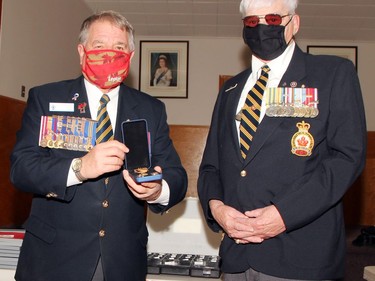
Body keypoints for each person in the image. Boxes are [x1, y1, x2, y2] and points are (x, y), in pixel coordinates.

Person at [10, 10, 187, 281]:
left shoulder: (151, 109)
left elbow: (177, 175)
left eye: (119, 47)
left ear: (131, 55)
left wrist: (157, 190)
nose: (109, 53)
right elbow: (21, 168)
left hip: (122, 262)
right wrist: (80, 168)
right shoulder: (46, 98)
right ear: (82, 51)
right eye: (99, 45)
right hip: (53, 261)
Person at [198, 0, 367, 280]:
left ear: (294, 24)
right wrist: (217, 209)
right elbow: (211, 167)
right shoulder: (231, 89)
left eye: (273, 19)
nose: (262, 27)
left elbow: (347, 158)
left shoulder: (332, 74)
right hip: (236, 257)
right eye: (252, 22)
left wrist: (284, 215)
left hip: (301, 258)